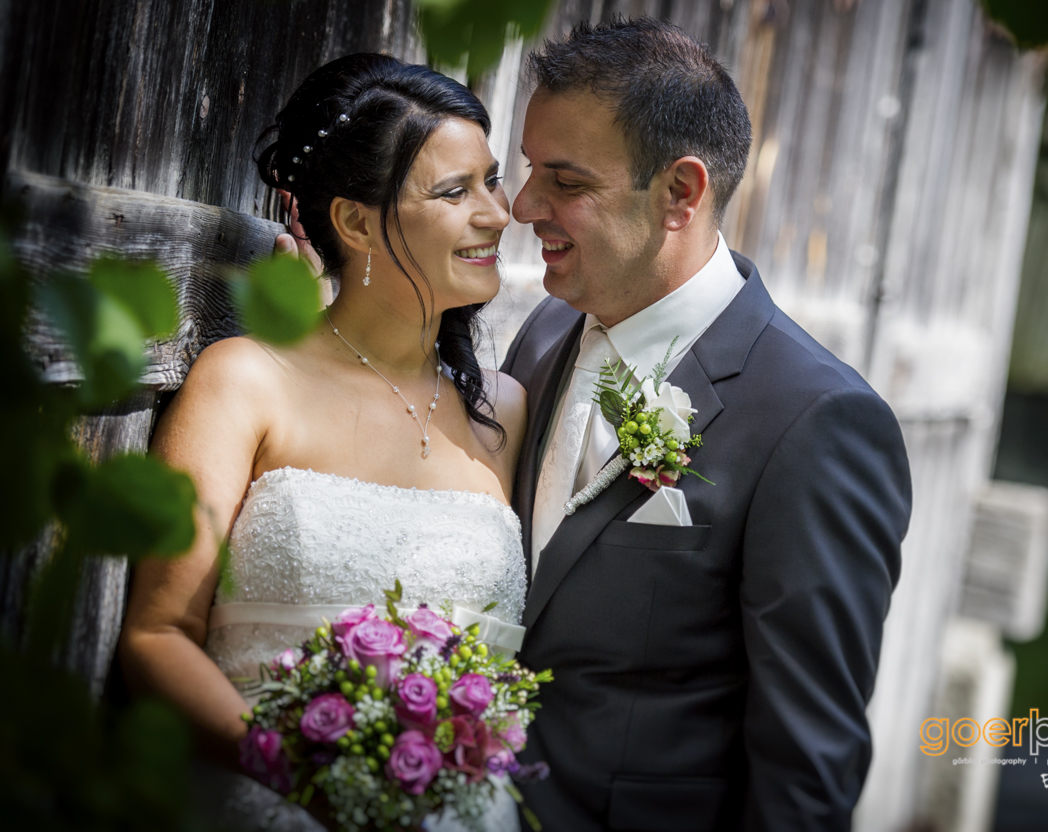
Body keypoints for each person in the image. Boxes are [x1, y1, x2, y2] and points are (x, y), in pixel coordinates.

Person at [499, 18, 912, 831]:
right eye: (527, 170)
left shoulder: (817, 420)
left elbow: (807, 766)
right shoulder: (543, 336)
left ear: (681, 193)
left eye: (566, 181)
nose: (522, 206)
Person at [118, 54, 527, 832]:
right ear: (354, 222)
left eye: (491, 180)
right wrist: (309, 780)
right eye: (456, 191)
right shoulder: (245, 383)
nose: (498, 214)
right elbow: (156, 634)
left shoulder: (501, 410)